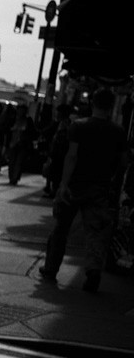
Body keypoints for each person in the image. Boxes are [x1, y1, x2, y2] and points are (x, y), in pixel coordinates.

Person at [41, 88, 127, 292]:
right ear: (111, 106)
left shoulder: (78, 126)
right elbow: (123, 162)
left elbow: (72, 156)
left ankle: (51, 268)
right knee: (96, 232)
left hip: (74, 186)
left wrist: (63, 184)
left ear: (92, 103)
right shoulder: (118, 131)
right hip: (100, 187)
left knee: (61, 228)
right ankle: (93, 270)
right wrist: (114, 183)